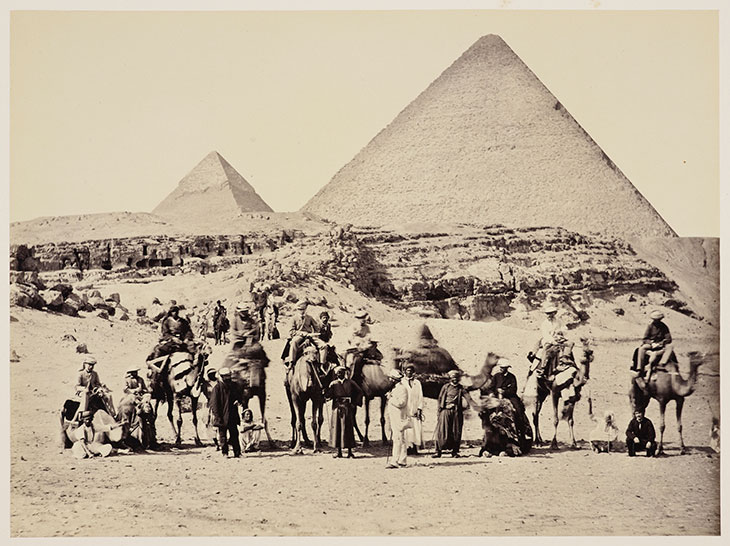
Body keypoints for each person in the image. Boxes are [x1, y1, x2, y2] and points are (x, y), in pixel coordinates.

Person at [328, 365, 363, 459]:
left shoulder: (351, 382)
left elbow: (360, 392)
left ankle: (350, 452)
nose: (340, 374)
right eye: (338, 372)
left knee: (348, 429)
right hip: (337, 408)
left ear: (345, 373)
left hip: (347, 407)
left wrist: (354, 403)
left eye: (342, 372)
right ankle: (339, 452)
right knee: (337, 429)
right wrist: (326, 393)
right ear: (336, 374)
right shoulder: (333, 384)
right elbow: (329, 395)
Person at [433, 370, 470, 458]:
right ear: (450, 378)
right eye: (453, 378)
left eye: (456, 378)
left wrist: (464, 407)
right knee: (442, 431)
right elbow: (440, 399)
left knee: (456, 431)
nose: (454, 379)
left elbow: (469, 399)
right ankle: (438, 451)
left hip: (456, 412)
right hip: (445, 411)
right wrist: (440, 411)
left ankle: (454, 452)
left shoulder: (461, 388)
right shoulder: (446, 387)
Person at [530, 303, 574, 378]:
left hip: (559, 339)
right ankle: (543, 368)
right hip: (549, 341)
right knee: (546, 350)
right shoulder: (544, 324)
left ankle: (564, 359)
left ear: (554, 313)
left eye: (551, 313)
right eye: (547, 314)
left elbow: (565, 328)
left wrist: (561, 332)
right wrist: (553, 341)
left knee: (570, 343)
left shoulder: (559, 321)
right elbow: (546, 335)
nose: (549, 315)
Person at [209, 367, 244, 458]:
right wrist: (218, 416)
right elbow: (214, 404)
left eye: (229, 376)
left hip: (232, 415)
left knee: (234, 434)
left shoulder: (234, 386)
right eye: (226, 376)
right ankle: (225, 453)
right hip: (222, 416)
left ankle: (237, 453)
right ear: (222, 377)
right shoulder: (217, 388)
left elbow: (239, 396)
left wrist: (239, 401)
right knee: (222, 436)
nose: (228, 378)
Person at [635, 310, 673, 387]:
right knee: (641, 349)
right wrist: (651, 343)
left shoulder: (664, 327)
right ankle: (639, 369)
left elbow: (669, 339)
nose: (656, 321)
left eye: (658, 320)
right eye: (655, 320)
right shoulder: (650, 326)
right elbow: (645, 339)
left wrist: (660, 343)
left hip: (660, 346)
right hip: (651, 345)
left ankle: (664, 366)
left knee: (670, 349)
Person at [286, 301, 327, 366]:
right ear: (297, 310)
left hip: (310, 336)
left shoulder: (309, 317)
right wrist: (302, 333)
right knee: (294, 342)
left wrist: (317, 332)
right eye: (300, 310)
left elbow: (317, 328)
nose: (302, 311)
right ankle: (291, 362)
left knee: (323, 345)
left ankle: (322, 364)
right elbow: (291, 331)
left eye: (303, 310)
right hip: (299, 336)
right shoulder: (293, 319)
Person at [386, 369, 410, 468]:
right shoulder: (396, 388)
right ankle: (402, 460)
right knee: (401, 439)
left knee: (398, 438)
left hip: (399, 417)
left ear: (395, 379)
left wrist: (390, 398)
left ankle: (394, 461)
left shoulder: (402, 389)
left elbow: (401, 403)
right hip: (395, 417)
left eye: (391, 378)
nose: (390, 380)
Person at [402, 363, 424, 455]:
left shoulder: (417, 383)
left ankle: (415, 447)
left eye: (411, 371)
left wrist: (419, 408)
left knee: (416, 429)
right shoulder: (401, 382)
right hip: (405, 410)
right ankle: (407, 448)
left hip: (414, 409)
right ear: (405, 372)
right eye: (408, 371)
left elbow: (420, 396)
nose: (409, 372)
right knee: (407, 430)